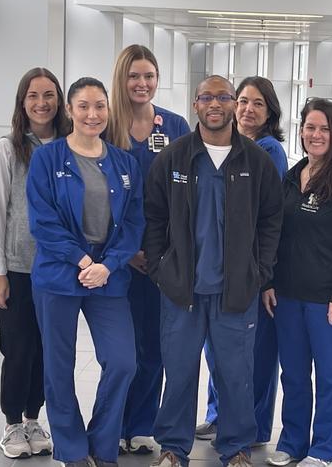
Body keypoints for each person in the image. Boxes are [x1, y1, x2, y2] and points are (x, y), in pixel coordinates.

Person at [144, 75, 283, 467]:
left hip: (235, 290)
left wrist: (260, 270)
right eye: (208, 97)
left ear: (233, 104)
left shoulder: (254, 161)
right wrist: (160, 267)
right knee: (180, 373)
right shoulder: (174, 157)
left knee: (236, 375)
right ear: (195, 104)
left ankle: (236, 448)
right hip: (182, 290)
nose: (216, 104)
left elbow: (273, 219)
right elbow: (153, 215)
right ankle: (173, 448)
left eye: (224, 96)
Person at [26, 77, 145, 467]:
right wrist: (82, 262)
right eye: (83, 106)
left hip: (108, 275)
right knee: (58, 366)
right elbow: (43, 222)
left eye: (100, 106)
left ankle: (100, 444)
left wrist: (107, 266)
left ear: (109, 111)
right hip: (60, 274)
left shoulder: (124, 163)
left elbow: (133, 224)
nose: (92, 114)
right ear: (70, 111)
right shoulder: (47, 159)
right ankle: (72, 450)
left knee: (123, 360)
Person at [264, 98, 332, 467]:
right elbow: (276, 234)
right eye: (310, 127)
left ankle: (325, 449)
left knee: (330, 377)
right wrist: (269, 282)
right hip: (288, 294)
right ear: (301, 131)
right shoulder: (292, 175)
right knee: (292, 373)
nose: (316, 135)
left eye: (325, 128)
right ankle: (292, 442)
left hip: (328, 300)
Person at [0, 67, 70, 459]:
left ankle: (34, 418)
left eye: (49, 95)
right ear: (22, 103)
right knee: (18, 348)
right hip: (18, 268)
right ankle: (12, 423)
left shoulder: (71, 145)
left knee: (47, 348)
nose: (41, 103)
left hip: (58, 269)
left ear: (59, 101)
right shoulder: (8, 149)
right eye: (33, 96)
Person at [105, 44, 190, 456]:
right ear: (122, 79)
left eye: (149, 76)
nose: (142, 83)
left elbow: (185, 196)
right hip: (115, 259)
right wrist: (126, 252)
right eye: (134, 76)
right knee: (120, 350)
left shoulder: (174, 126)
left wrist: (155, 252)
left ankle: (140, 424)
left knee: (154, 347)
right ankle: (111, 425)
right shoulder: (104, 126)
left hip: (159, 260)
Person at [196, 75, 288, 445]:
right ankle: (221, 417)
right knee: (222, 353)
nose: (249, 109)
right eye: (244, 101)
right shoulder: (224, 146)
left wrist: (264, 277)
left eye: (258, 104)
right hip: (217, 272)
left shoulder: (268, 151)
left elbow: (266, 217)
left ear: (270, 112)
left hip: (252, 273)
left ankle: (252, 427)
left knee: (255, 356)